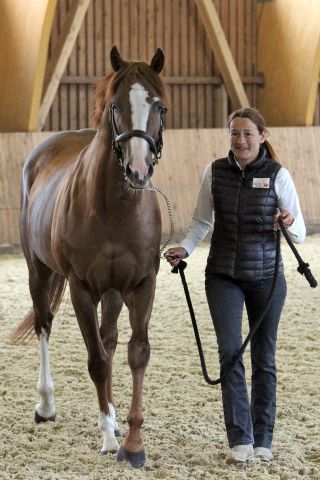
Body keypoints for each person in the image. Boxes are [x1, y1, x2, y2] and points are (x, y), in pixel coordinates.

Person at [165, 107, 306, 464]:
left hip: (268, 279)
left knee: (264, 359)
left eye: (247, 133)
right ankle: (240, 440)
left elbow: (300, 233)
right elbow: (201, 221)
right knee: (230, 354)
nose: (240, 140)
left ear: (262, 136)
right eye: (234, 133)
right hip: (223, 276)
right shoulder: (214, 172)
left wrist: (287, 222)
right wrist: (187, 247)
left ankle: (264, 440)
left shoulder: (278, 175)